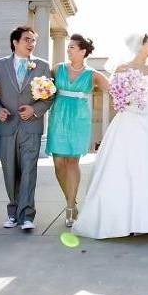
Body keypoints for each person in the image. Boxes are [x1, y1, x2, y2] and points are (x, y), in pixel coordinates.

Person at [73, 33, 148, 239]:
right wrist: (127, 99)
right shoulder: (121, 69)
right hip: (128, 120)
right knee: (124, 166)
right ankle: (124, 220)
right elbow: (116, 95)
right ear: (140, 45)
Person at [0, 26, 54, 231]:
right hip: (7, 126)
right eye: (27, 39)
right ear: (15, 42)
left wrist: (34, 110)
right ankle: (13, 212)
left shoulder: (42, 66)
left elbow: (50, 95)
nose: (31, 43)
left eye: (33, 40)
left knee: (28, 171)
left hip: (31, 126)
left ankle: (26, 215)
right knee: (10, 172)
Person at [46, 34, 110, 228]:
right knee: (58, 163)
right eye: (69, 46)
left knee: (72, 161)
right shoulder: (57, 69)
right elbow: (42, 85)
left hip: (79, 120)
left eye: (73, 47)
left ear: (83, 51)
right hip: (58, 117)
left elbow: (114, 90)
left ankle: (69, 207)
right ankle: (71, 199)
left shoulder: (93, 75)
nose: (69, 49)